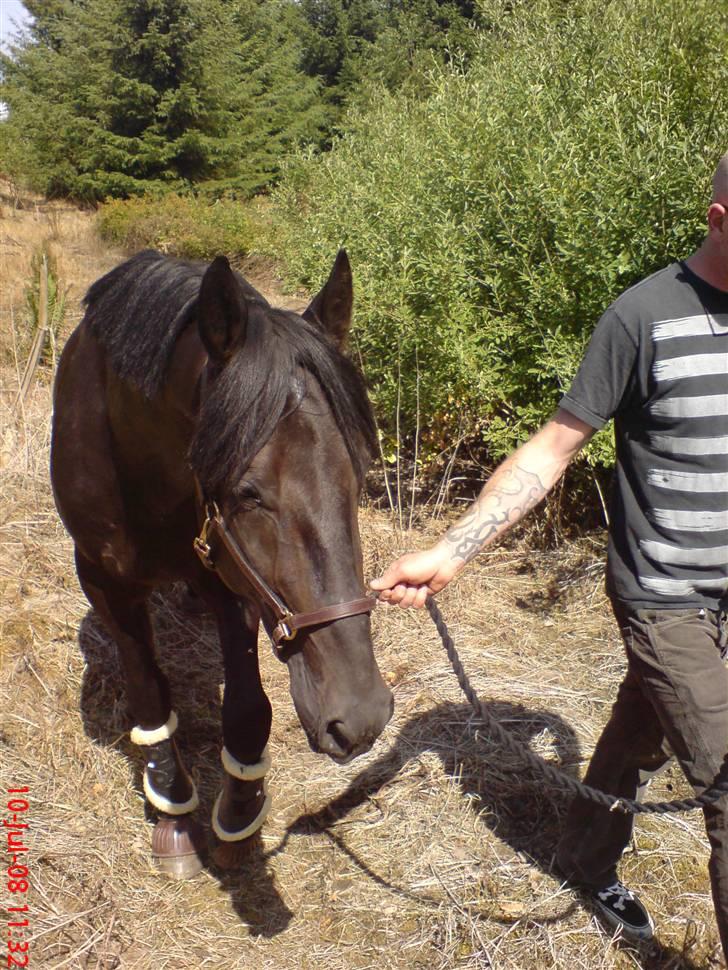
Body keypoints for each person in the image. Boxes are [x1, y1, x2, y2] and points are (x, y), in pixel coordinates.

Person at [371, 151, 728, 953]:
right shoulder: (644, 319)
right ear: (718, 221)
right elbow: (551, 451)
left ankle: (583, 856)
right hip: (666, 595)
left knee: (643, 727)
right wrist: (451, 552)